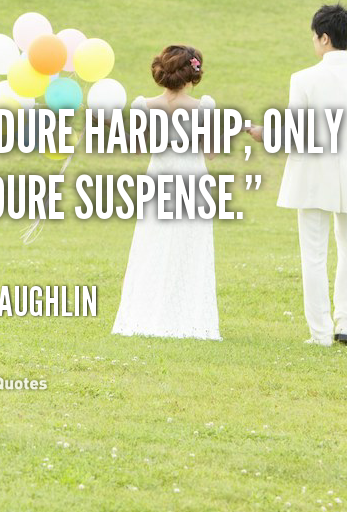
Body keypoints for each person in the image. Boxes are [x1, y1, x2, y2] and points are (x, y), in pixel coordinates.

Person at [248, 4, 347, 346]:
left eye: (315, 37)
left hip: (312, 174)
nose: (313, 42)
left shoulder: (303, 78)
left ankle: (320, 332)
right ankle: (346, 323)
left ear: (324, 38)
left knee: (313, 253)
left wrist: (263, 134)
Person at [112, 45, 221, 340]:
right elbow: (211, 153)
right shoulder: (203, 107)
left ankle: (146, 314)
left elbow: (137, 148)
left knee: (151, 247)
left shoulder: (143, 105)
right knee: (189, 250)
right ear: (193, 73)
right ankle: (186, 316)